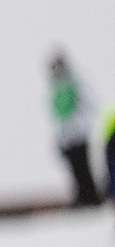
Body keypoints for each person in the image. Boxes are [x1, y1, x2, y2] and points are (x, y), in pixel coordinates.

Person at [48, 51, 100, 207]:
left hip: (79, 134)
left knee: (84, 167)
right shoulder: (55, 88)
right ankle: (82, 198)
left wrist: (86, 125)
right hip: (66, 137)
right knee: (74, 170)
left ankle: (91, 198)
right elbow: (58, 117)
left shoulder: (75, 82)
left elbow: (90, 104)